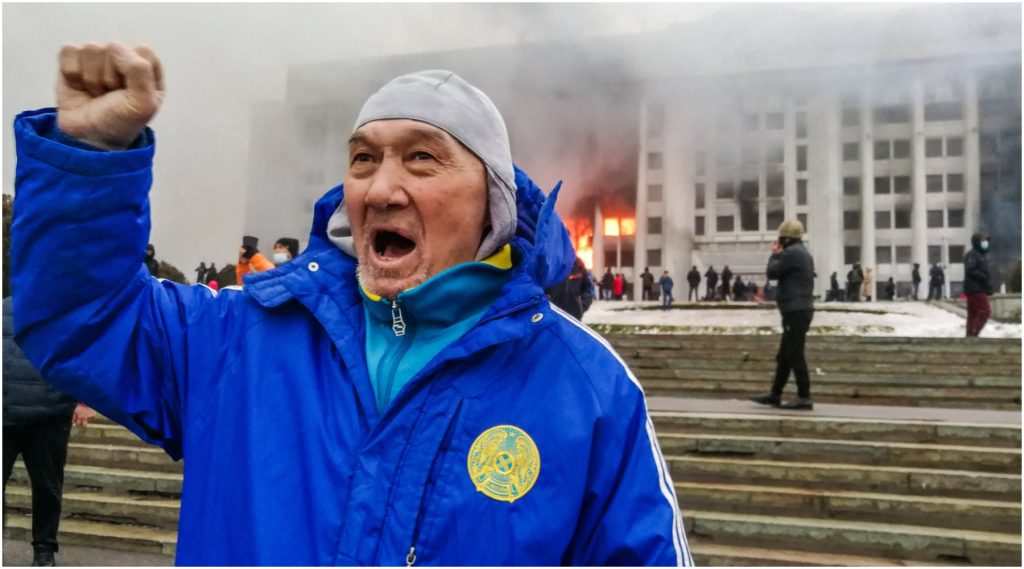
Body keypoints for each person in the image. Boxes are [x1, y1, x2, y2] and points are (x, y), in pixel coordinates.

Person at [10, 46, 690, 566]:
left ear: (493, 202)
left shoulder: (586, 389)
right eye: (363, 159)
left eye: (422, 159)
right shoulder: (236, 340)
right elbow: (81, 318)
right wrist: (89, 159)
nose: (381, 188)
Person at [3, 297, 97, 567]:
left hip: (48, 416)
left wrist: (85, 400)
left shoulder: (65, 310)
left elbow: (82, 356)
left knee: (47, 489)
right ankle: (44, 553)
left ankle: (44, 550)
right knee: (48, 489)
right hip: (13, 414)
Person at [750, 219, 815, 411]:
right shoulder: (802, 252)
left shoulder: (792, 253)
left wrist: (774, 254)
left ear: (786, 238)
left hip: (795, 310)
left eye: (781, 239)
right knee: (785, 355)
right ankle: (775, 394)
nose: (779, 242)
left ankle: (804, 396)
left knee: (794, 353)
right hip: (798, 309)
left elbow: (772, 273)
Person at [964, 233, 994, 337]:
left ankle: (970, 334)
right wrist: (984, 278)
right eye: (982, 241)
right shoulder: (972, 255)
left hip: (979, 288)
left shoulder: (983, 255)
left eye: (986, 241)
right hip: (974, 288)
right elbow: (971, 270)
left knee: (973, 313)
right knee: (985, 310)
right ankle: (974, 331)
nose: (985, 243)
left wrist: (988, 287)